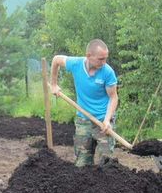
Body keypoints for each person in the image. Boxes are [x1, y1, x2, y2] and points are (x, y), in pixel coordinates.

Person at [50, 39, 119, 167]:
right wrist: (54, 84)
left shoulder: (107, 72)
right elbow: (56, 60)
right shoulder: (76, 64)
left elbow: (113, 97)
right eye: (100, 59)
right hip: (83, 121)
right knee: (82, 164)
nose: (104, 62)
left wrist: (107, 120)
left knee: (107, 164)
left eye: (105, 58)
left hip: (103, 122)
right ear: (88, 56)